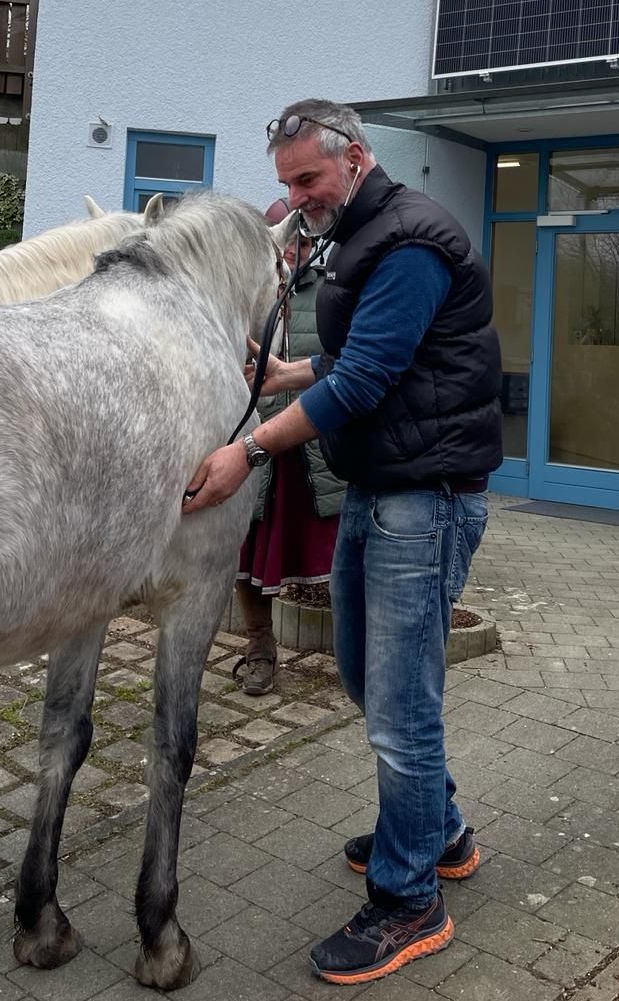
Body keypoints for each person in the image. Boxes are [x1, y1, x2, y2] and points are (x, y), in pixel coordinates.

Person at [184, 99, 503, 985]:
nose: (295, 198)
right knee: (367, 673)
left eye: (308, 179)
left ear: (355, 159)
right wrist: (290, 372)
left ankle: (409, 902)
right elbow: (364, 352)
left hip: (424, 498)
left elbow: (365, 377)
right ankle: (439, 834)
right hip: (380, 486)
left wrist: (247, 449)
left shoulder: (408, 241)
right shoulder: (363, 230)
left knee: (402, 705)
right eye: (285, 182)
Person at [233, 199, 345, 696]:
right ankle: (259, 650)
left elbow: (346, 362)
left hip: (317, 448)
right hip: (257, 445)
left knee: (341, 558)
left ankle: (358, 660)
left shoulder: (331, 293)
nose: (291, 251)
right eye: (282, 242)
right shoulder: (243, 299)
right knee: (249, 556)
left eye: (299, 242)